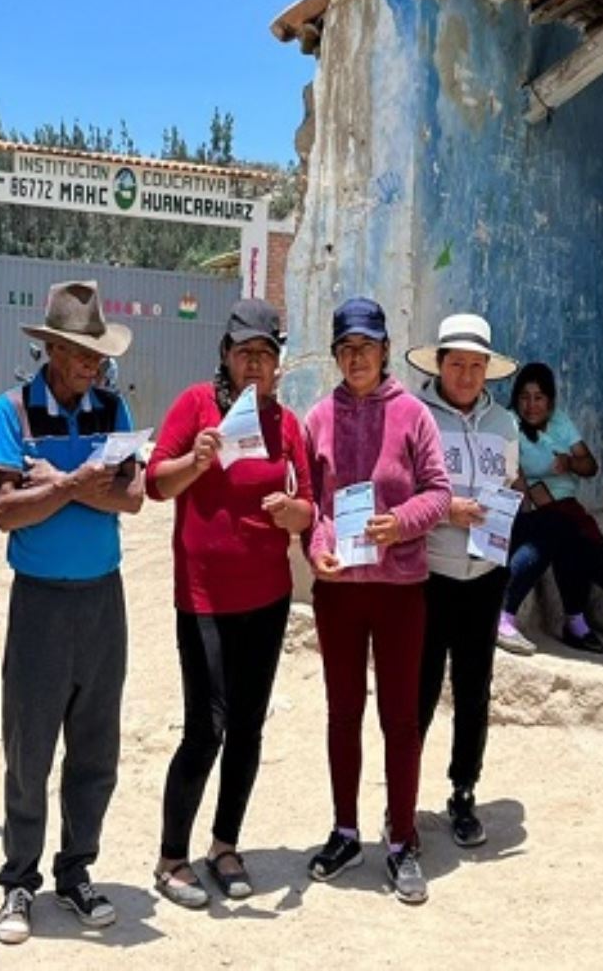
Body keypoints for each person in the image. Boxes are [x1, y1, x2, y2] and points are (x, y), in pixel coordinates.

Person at [0, 281, 145, 945]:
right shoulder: (11, 410)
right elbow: (4, 510)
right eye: (80, 354)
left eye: (96, 355)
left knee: (95, 745)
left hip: (104, 598)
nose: (93, 367)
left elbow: (132, 498)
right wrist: (81, 485)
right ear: (49, 348)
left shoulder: (113, 406)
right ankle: (19, 880)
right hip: (41, 601)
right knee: (30, 747)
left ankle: (75, 870)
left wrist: (54, 484)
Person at [146, 299, 313, 909]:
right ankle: (170, 857)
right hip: (205, 598)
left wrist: (299, 516)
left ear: (276, 365)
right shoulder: (197, 406)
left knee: (247, 727)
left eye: (265, 355)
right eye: (244, 353)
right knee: (206, 728)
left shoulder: (288, 425)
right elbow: (155, 484)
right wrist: (196, 460)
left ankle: (224, 845)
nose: (254, 365)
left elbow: (308, 501)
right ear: (225, 354)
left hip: (267, 597)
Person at [304, 297, 452, 905]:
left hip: (399, 592)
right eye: (346, 349)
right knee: (344, 714)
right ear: (336, 355)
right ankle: (345, 830)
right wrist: (317, 548)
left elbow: (439, 492)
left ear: (386, 349)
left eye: (366, 346)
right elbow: (312, 505)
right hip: (339, 592)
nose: (356, 357)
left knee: (401, 718)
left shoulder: (414, 415)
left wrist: (403, 522)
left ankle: (402, 840)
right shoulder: (316, 420)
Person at [407, 313, 521, 848]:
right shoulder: (415, 417)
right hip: (429, 572)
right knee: (420, 689)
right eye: (458, 364)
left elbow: (512, 479)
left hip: (486, 574)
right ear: (440, 365)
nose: (468, 375)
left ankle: (463, 791)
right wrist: (443, 510)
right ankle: (402, 800)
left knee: (474, 690)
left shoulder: (505, 425)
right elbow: (397, 491)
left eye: (477, 366)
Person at [498, 362, 603, 655]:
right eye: (524, 397)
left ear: (550, 401)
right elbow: (514, 477)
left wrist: (569, 463)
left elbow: (590, 466)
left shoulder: (560, 423)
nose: (531, 405)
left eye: (538, 397)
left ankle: (576, 621)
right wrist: (533, 506)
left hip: (565, 511)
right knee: (563, 528)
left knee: (571, 536)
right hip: (526, 511)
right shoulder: (509, 424)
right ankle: (590, 613)